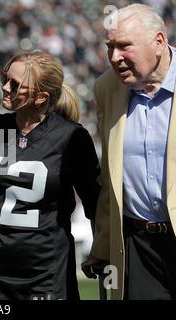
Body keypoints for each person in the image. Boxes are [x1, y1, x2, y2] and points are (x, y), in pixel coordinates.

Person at [0, 50, 100, 300]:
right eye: (4, 78)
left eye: (15, 84)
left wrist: (101, 247)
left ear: (41, 97)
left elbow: (96, 202)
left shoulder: (70, 137)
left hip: (45, 276)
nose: (4, 87)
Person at [82, 4, 176, 300]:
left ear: (158, 42)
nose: (114, 58)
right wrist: (104, 245)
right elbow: (112, 180)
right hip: (139, 246)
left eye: (124, 47)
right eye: (110, 47)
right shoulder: (107, 89)